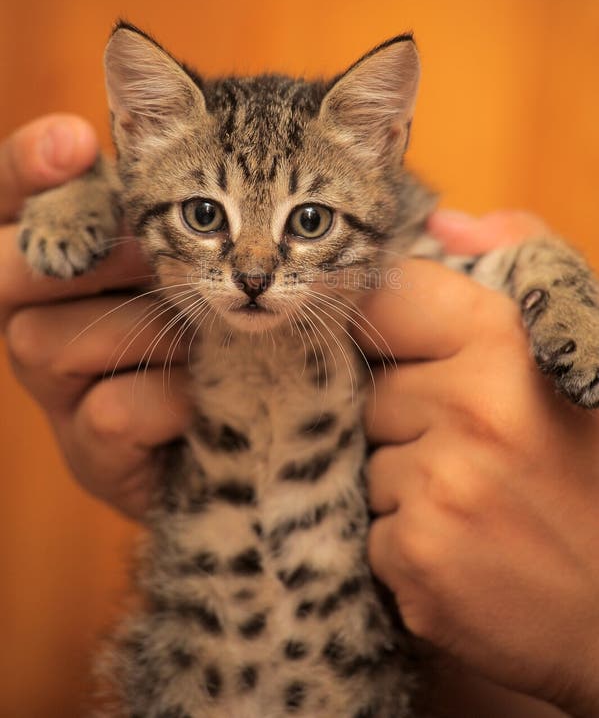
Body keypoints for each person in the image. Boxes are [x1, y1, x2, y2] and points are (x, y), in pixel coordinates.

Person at [2, 115, 598, 718]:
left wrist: (562, 288)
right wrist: (81, 198)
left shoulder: (397, 256)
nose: (254, 271)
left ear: (381, 146)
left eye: (308, 220)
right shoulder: (164, 235)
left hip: (351, 666)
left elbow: (519, 260)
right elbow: (134, 187)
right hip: (195, 652)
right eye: (209, 216)